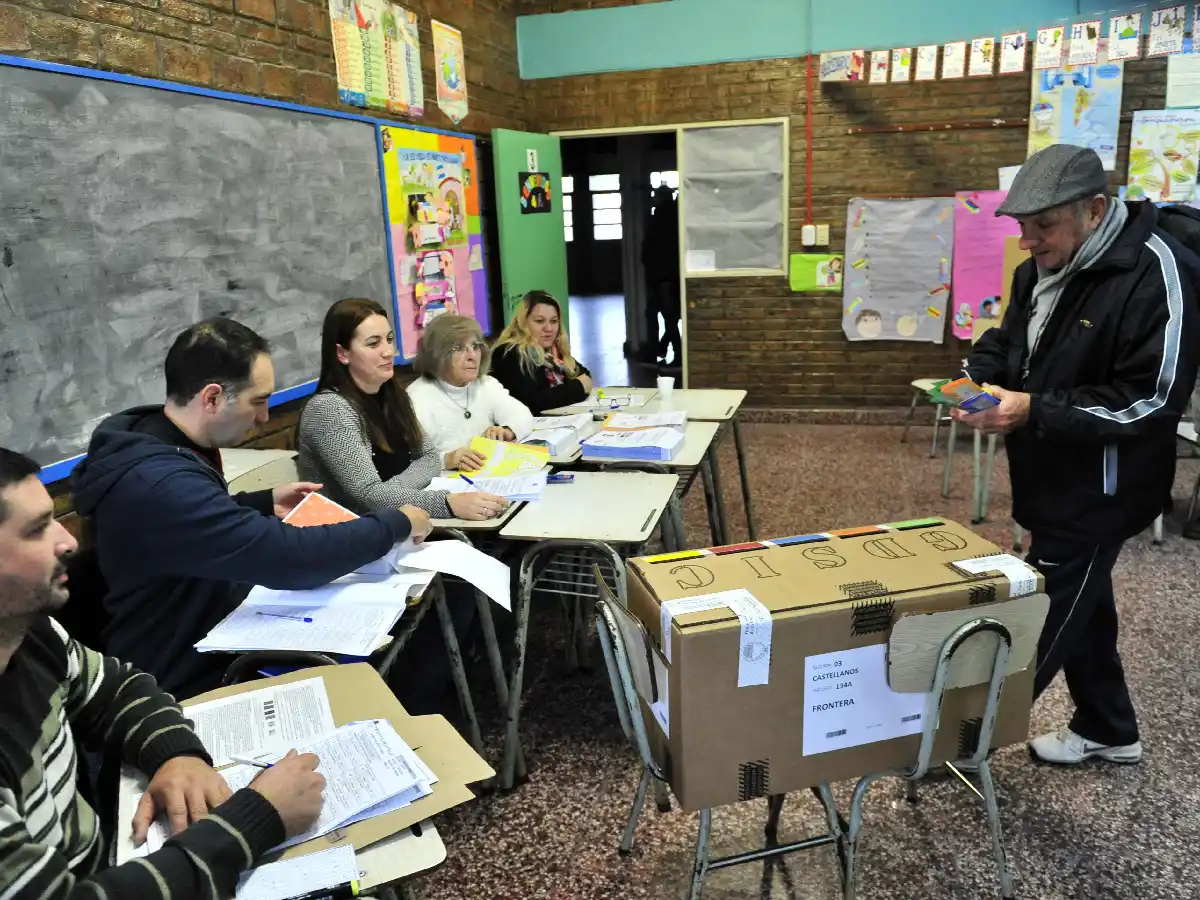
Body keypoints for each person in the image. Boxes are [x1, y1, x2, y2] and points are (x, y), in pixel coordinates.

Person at [955, 144, 1200, 766]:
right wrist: (979, 381)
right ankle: (1110, 727)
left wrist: (1034, 409)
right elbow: (1009, 342)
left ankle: (961, 741)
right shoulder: (1038, 270)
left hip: (1105, 486)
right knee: (1086, 605)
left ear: (1094, 210)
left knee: (1045, 608)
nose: (1029, 243)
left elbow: (1153, 398)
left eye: (1044, 227)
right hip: (1047, 470)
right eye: (1021, 228)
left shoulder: (1155, 271)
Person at [0, 446, 326, 897]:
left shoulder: (28, 634)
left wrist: (176, 754)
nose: (69, 541)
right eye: (37, 530)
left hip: (110, 855)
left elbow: (115, 690)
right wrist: (257, 821)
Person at [72, 318, 433, 699]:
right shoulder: (160, 483)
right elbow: (290, 556)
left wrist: (261, 502)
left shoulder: (155, 437)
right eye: (257, 402)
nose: (264, 418)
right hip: (181, 676)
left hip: (204, 628)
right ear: (212, 398)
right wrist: (394, 523)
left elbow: (186, 526)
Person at [297, 298, 508, 522]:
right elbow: (368, 495)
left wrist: (391, 491)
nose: (388, 351)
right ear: (342, 353)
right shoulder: (330, 409)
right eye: (373, 344)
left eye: (389, 340)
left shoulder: (394, 395)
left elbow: (429, 458)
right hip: (353, 538)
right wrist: (446, 503)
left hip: (400, 523)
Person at [407, 314, 534, 469]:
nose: (472, 356)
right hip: (445, 485)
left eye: (475, 346)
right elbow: (409, 459)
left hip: (488, 476)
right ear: (437, 355)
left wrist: (508, 430)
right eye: (459, 348)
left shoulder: (485, 384)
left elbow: (523, 415)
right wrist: (446, 460)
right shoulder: (417, 397)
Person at [490, 290, 594, 415]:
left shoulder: (552, 352)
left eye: (554, 321)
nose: (548, 329)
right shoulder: (511, 353)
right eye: (539, 321)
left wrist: (578, 385)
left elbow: (584, 376)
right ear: (523, 323)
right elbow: (532, 402)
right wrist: (577, 387)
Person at [642, 184, 681, 365]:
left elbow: (651, 248)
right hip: (670, 274)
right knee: (668, 316)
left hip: (661, 275)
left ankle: (674, 354)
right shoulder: (675, 216)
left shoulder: (659, 218)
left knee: (666, 317)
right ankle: (660, 347)